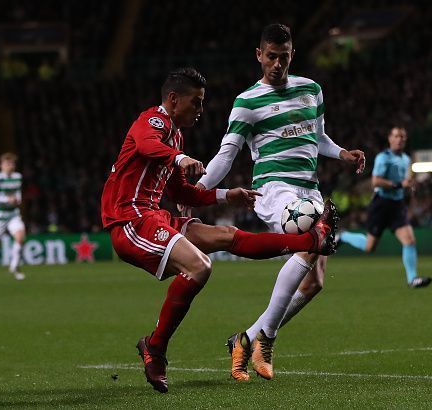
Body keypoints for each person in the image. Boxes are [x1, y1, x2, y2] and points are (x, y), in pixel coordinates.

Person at [100, 67, 338, 393]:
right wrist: (181, 158)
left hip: (155, 215)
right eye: (195, 102)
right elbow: (145, 144)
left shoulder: (176, 136)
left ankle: (310, 240)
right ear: (173, 99)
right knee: (199, 266)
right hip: (129, 220)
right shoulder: (154, 122)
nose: (200, 110)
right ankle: (154, 347)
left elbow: (181, 194)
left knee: (228, 237)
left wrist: (227, 195)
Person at [194, 24, 365, 381]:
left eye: (283, 57)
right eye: (270, 56)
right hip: (275, 190)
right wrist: (197, 192)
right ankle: (266, 338)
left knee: (314, 282)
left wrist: (342, 154)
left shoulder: (311, 90)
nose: (276, 64)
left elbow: (317, 138)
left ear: (292, 55)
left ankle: (245, 338)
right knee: (310, 237)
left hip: (309, 189)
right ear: (259, 55)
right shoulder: (247, 102)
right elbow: (227, 156)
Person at [339, 126, 432, 288]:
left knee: (409, 241)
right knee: (370, 247)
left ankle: (412, 279)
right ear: (390, 139)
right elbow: (376, 181)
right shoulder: (383, 158)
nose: (399, 139)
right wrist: (399, 184)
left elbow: (404, 182)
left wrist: (409, 185)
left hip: (397, 205)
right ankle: (344, 236)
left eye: (402, 137)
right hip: (381, 204)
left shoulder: (406, 159)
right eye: (396, 136)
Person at [0, 152, 26, 282]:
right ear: (1, 165)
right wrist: (6, 199)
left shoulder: (18, 177)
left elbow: (17, 192)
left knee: (20, 237)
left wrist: (17, 199)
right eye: (7, 163)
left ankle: (14, 266)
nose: (10, 166)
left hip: (13, 214)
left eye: (12, 163)